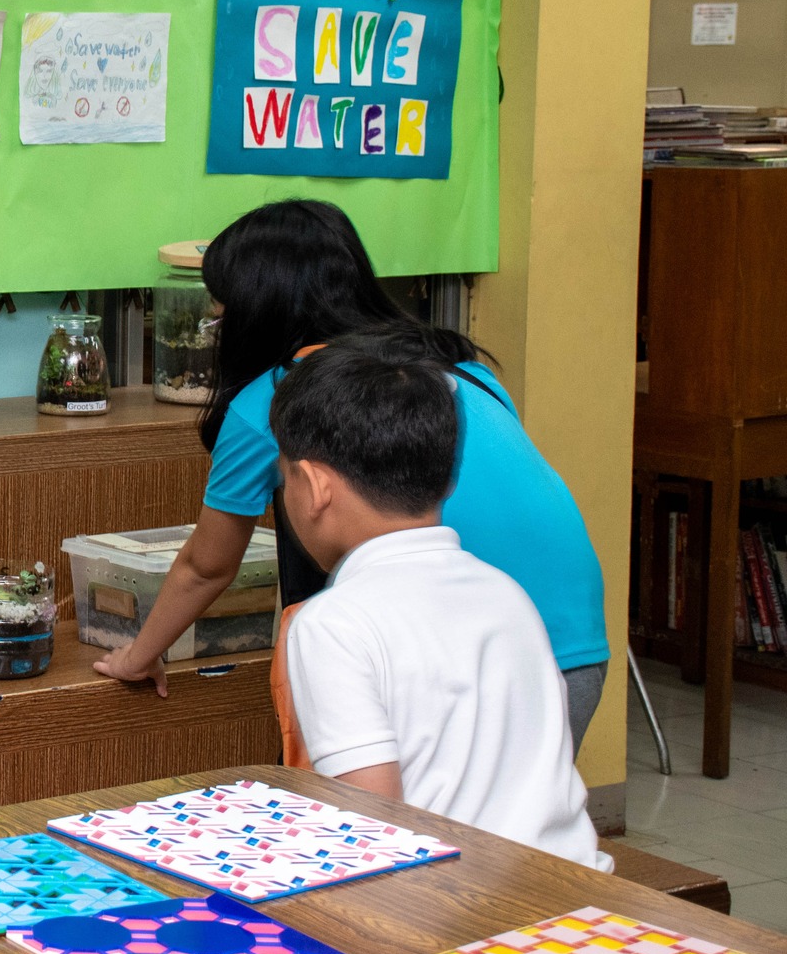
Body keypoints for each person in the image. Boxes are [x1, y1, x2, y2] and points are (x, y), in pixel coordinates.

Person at [94, 199, 609, 757]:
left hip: (449, 664)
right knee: (508, 833)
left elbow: (207, 565)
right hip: (570, 643)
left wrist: (138, 654)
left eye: (220, 313)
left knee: (407, 833)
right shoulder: (463, 368)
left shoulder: (277, 396)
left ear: (255, 310)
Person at [269, 336, 609, 871]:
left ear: (312, 486)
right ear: (450, 477)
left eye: (284, 474)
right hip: (569, 895)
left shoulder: (330, 624)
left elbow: (368, 828)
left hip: (448, 924)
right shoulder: (506, 593)